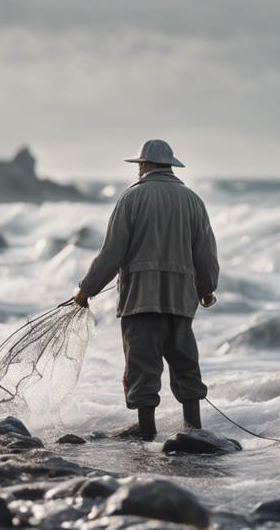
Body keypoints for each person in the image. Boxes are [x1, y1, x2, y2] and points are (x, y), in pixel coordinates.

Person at [73, 139, 219, 441]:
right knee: (185, 361)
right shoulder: (193, 200)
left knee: (143, 363)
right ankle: (193, 428)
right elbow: (205, 252)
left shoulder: (131, 198)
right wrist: (207, 289)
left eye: (139, 164)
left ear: (144, 165)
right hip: (181, 299)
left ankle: (147, 429)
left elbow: (111, 254)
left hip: (141, 298)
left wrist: (86, 290)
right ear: (170, 166)